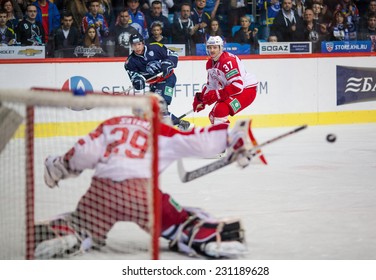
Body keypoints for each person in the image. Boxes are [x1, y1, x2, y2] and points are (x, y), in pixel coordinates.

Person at [35, 96, 256, 259]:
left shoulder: (112, 124)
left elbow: (83, 153)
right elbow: (200, 140)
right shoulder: (163, 131)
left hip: (101, 192)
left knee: (82, 220)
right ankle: (204, 236)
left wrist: (59, 166)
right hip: (142, 195)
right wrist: (233, 140)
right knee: (182, 220)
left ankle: (66, 232)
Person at [124, 33, 190, 130]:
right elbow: (134, 77)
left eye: (139, 44)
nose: (137, 47)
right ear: (131, 46)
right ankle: (180, 124)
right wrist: (138, 82)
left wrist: (168, 63)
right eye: (134, 45)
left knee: (159, 106)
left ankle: (175, 126)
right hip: (154, 84)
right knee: (151, 109)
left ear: (143, 43)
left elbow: (173, 54)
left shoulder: (155, 47)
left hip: (167, 79)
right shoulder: (130, 62)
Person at [192, 36, 258, 125]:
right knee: (213, 116)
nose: (212, 50)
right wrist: (202, 100)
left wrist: (217, 94)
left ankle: (222, 138)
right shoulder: (209, 64)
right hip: (235, 89)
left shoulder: (227, 61)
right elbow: (211, 85)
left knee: (220, 110)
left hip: (247, 89)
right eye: (209, 47)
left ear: (220, 48)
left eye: (215, 47)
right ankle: (222, 137)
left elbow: (237, 86)